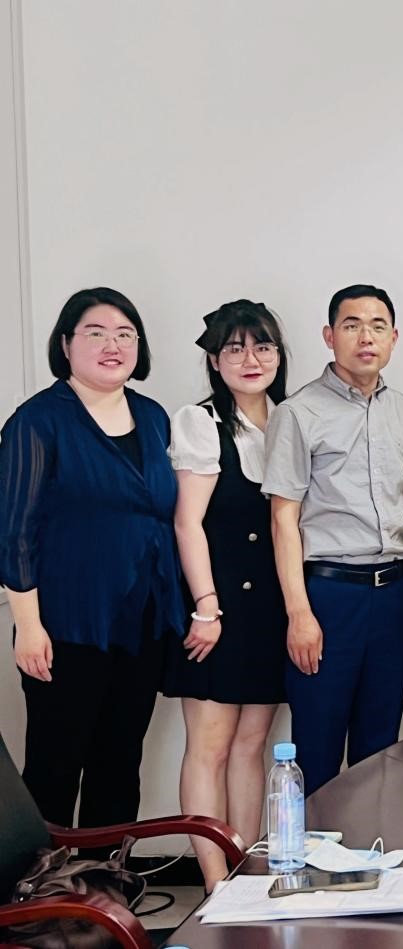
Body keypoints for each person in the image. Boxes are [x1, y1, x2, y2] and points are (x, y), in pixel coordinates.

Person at [0, 288, 184, 831]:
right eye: (96, 333)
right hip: (65, 625)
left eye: (125, 334)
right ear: (66, 344)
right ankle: (43, 882)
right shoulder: (38, 421)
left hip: (142, 622)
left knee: (120, 763)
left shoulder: (152, 417)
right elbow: (14, 534)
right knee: (55, 766)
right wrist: (28, 627)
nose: (113, 345)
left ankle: (107, 877)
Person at [262, 284, 403, 793]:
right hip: (329, 596)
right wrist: (299, 613)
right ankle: (311, 846)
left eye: (378, 326)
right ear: (330, 336)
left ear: (394, 338)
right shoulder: (298, 412)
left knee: (381, 750)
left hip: (393, 594)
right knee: (318, 747)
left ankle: (373, 846)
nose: (365, 337)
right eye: (352, 325)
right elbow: (283, 519)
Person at [163, 300, 289, 886]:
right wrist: (206, 607)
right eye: (234, 348)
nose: (250, 359)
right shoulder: (201, 422)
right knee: (209, 746)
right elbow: (187, 523)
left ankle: (248, 872)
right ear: (214, 360)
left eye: (262, 346)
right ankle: (214, 882)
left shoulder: (289, 421)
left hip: (270, 608)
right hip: (216, 607)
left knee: (252, 744)